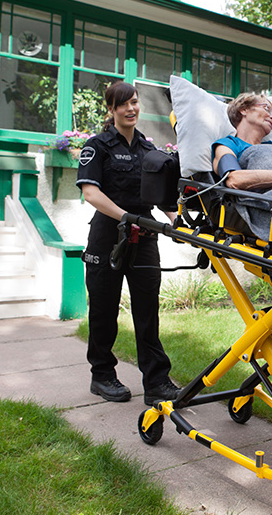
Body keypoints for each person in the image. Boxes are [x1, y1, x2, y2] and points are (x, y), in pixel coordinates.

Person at [76, 81, 180, 405]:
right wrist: (125, 217)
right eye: (124, 104)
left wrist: (176, 218)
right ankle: (102, 375)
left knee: (148, 310)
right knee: (104, 309)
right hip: (108, 235)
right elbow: (90, 192)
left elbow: (162, 195)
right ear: (112, 109)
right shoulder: (98, 146)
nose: (131, 108)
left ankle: (157, 382)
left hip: (144, 236)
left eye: (134, 102)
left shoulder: (149, 150)